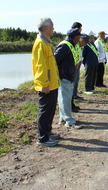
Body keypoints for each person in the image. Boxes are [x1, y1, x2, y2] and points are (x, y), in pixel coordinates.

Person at [32, 17, 60, 147]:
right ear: (46, 28)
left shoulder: (47, 43)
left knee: (51, 109)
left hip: (52, 83)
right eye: (52, 26)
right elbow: (40, 66)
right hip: (46, 85)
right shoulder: (40, 44)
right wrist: (43, 84)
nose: (54, 29)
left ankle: (48, 131)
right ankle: (42, 138)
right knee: (44, 111)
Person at [54, 28, 82, 129]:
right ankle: (69, 121)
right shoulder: (65, 45)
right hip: (64, 76)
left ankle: (63, 118)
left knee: (64, 98)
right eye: (79, 37)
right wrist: (62, 71)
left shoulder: (70, 45)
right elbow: (55, 59)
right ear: (74, 37)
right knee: (65, 98)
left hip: (68, 75)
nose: (79, 39)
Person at [71, 22, 83, 103]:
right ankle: (73, 95)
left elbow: (79, 50)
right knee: (73, 80)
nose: (81, 30)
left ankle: (75, 94)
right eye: (80, 28)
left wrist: (80, 60)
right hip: (73, 64)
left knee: (76, 79)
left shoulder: (78, 39)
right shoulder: (73, 39)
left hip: (78, 62)